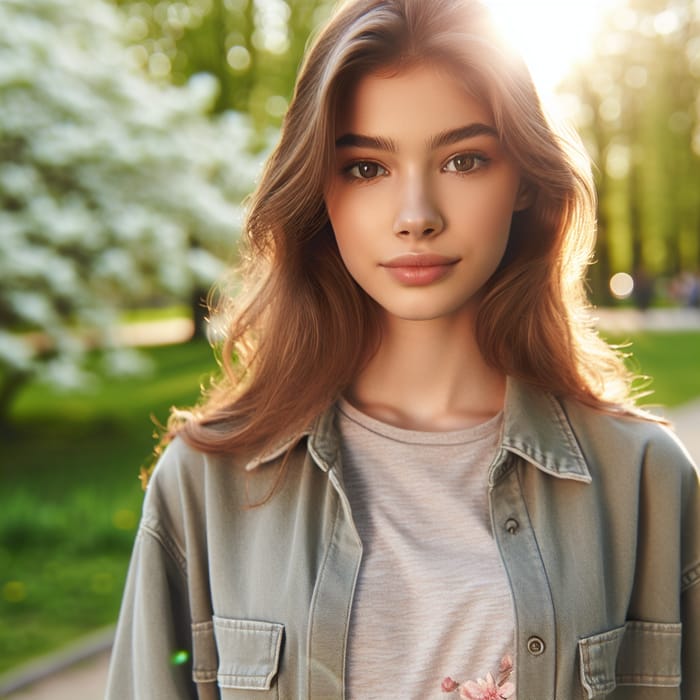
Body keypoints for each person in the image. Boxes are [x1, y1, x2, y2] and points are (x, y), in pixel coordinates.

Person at [106, 0, 700, 697]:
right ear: (318, 191)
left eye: (464, 159)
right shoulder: (204, 486)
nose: (416, 216)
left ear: (525, 184)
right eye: (366, 168)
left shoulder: (644, 482)